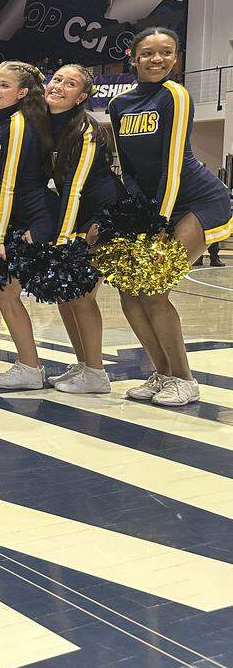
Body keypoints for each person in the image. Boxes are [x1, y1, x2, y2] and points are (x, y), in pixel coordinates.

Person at [109, 27, 232, 406]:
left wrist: (159, 222)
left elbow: (174, 164)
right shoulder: (118, 106)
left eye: (166, 53)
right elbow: (127, 167)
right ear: (133, 57)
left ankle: (184, 378)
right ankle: (161, 373)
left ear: (176, 59)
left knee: (156, 286)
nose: (156, 59)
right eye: (148, 53)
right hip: (153, 207)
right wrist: (137, 212)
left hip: (196, 201)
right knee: (129, 291)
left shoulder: (175, 95)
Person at [0, 62, 59, 390]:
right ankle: (30, 365)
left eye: (4, 85)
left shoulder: (18, 124)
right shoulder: (5, 122)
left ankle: (32, 366)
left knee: (8, 294)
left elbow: (10, 184)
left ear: (22, 93)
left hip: (30, 220)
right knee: (5, 293)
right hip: (18, 218)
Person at [45, 64, 124, 395]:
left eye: (71, 83)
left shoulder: (86, 130)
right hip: (77, 216)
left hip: (102, 217)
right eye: (58, 79)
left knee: (80, 294)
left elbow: (75, 187)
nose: (61, 86)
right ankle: (84, 364)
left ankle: (96, 371)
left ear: (83, 97)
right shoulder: (44, 123)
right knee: (67, 293)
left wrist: (61, 243)